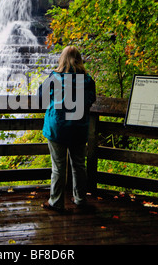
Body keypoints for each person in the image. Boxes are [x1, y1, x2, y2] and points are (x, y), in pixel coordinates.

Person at [37, 46, 96, 212]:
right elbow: (91, 100)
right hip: (78, 127)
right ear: (79, 59)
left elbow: (41, 97)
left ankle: (56, 202)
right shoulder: (88, 80)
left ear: (62, 59)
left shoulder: (54, 77)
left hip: (58, 127)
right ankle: (80, 199)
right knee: (79, 165)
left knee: (58, 167)